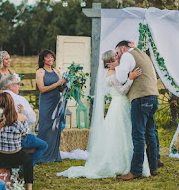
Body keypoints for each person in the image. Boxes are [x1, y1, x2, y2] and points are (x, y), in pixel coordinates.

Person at [57, 50, 150, 178]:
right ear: (109, 63)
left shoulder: (117, 71)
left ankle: (133, 165)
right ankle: (121, 165)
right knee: (120, 134)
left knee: (129, 133)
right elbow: (122, 91)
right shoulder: (111, 75)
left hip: (124, 105)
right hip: (118, 106)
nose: (118, 59)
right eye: (115, 58)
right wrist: (130, 79)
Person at [107, 40, 160, 180]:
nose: (117, 56)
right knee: (150, 133)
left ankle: (136, 171)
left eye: (117, 52)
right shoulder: (143, 55)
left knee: (138, 134)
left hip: (141, 98)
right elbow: (154, 78)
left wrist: (121, 69)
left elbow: (121, 78)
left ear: (123, 48)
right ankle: (153, 167)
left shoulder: (127, 56)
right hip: (153, 97)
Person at [0, 74, 48, 168]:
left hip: (0, 140)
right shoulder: (20, 99)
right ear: (11, 86)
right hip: (17, 141)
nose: (19, 86)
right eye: (17, 84)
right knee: (44, 145)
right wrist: (24, 112)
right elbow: (32, 120)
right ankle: (23, 168)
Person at [0, 93, 33, 190]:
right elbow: (24, 135)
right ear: (11, 103)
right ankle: (29, 187)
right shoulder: (21, 117)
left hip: (0, 156)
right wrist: (20, 113)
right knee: (28, 161)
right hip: (16, 155)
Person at [36, 49, 66, 163]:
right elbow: (42, 89)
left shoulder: (57, 71)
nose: (50, 59)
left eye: (52, 57)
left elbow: (60, 88)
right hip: (46, 102)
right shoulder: (40, 72)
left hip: (55, 101)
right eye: (48, 57)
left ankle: (54, 155)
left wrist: (66, 85)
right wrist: (57, 84)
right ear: (43, 59)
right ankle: (41, 154)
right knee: (44, 127)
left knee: (55, 128)